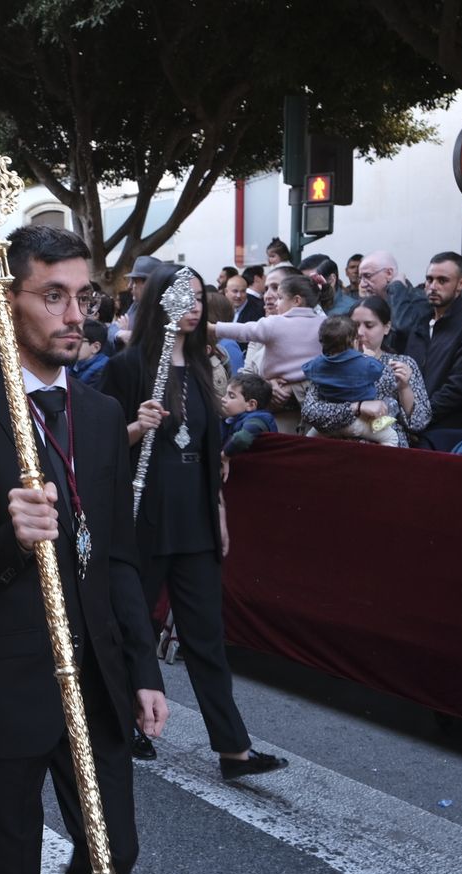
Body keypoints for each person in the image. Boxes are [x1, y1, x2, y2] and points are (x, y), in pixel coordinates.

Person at [0, 224, 167, 874]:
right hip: (5, 686)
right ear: (8, 300)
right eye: (53, 295)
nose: (74, 315)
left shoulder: (99, 413)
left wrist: (143, 668)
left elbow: (119, 555)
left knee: (113, 851)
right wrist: (12, 538)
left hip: (95, 679)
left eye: (82, 296)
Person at [103, 262, 287, 777]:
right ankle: (126, 722)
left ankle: (233, 747)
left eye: (199, 298)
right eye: (182, 297)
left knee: (206, 633)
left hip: (196, 515)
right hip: (144, 517)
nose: (192, 307)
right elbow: (102, 452)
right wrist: (136, 427)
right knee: (134, 623)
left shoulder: (208, 366)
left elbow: (211, 451)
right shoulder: (128, 366)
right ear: (159, 301)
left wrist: (220, 512)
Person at [302, 296, 433, 448]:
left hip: (383, 454)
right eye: (354, 325)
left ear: (386, 327)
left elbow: (419, 423)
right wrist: (358, 407)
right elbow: (310, 411)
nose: (360, 332)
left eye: (369, 325)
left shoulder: (402, 364)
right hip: (334, 448)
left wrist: (404, 388)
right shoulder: (331, 362)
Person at [392, 252, 462, 432]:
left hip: (450, 432)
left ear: (461, 284)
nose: (433, 286)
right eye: (429, 279)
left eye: (442, 280)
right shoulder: (420, 323)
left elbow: (458, 389)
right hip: (410, 423)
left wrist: (419, 419)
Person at [214, 273, 323, 433]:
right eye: (266, 289)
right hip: (267, 418)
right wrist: (267, 385)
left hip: (303, 420)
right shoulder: (265, 328)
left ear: (297, 300)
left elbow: (329, 371)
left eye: (277, 293)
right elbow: (247, 373)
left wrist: (293, 388)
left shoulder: (323, 327)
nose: (269, 296)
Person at [303, 315, 399, 445]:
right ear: (354, 341)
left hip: (327, 426)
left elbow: (306, 369)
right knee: (391, 437)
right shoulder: (364, 364)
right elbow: (379, 371)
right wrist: (368, 357)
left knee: (307, 439)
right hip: (358, 422)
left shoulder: (317, 364)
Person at [220, 371, 278, 458]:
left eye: (231, 396)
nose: (223, 399)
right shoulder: (232, 418)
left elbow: (242, 439)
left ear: (251, 405)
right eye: (225, 394)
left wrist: (225, 455)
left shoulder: (258, 420)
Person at [72, 318, 111, 389]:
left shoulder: (102, 371)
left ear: (95, 347)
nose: (72, 344)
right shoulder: (74, 363)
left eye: (79, 340)